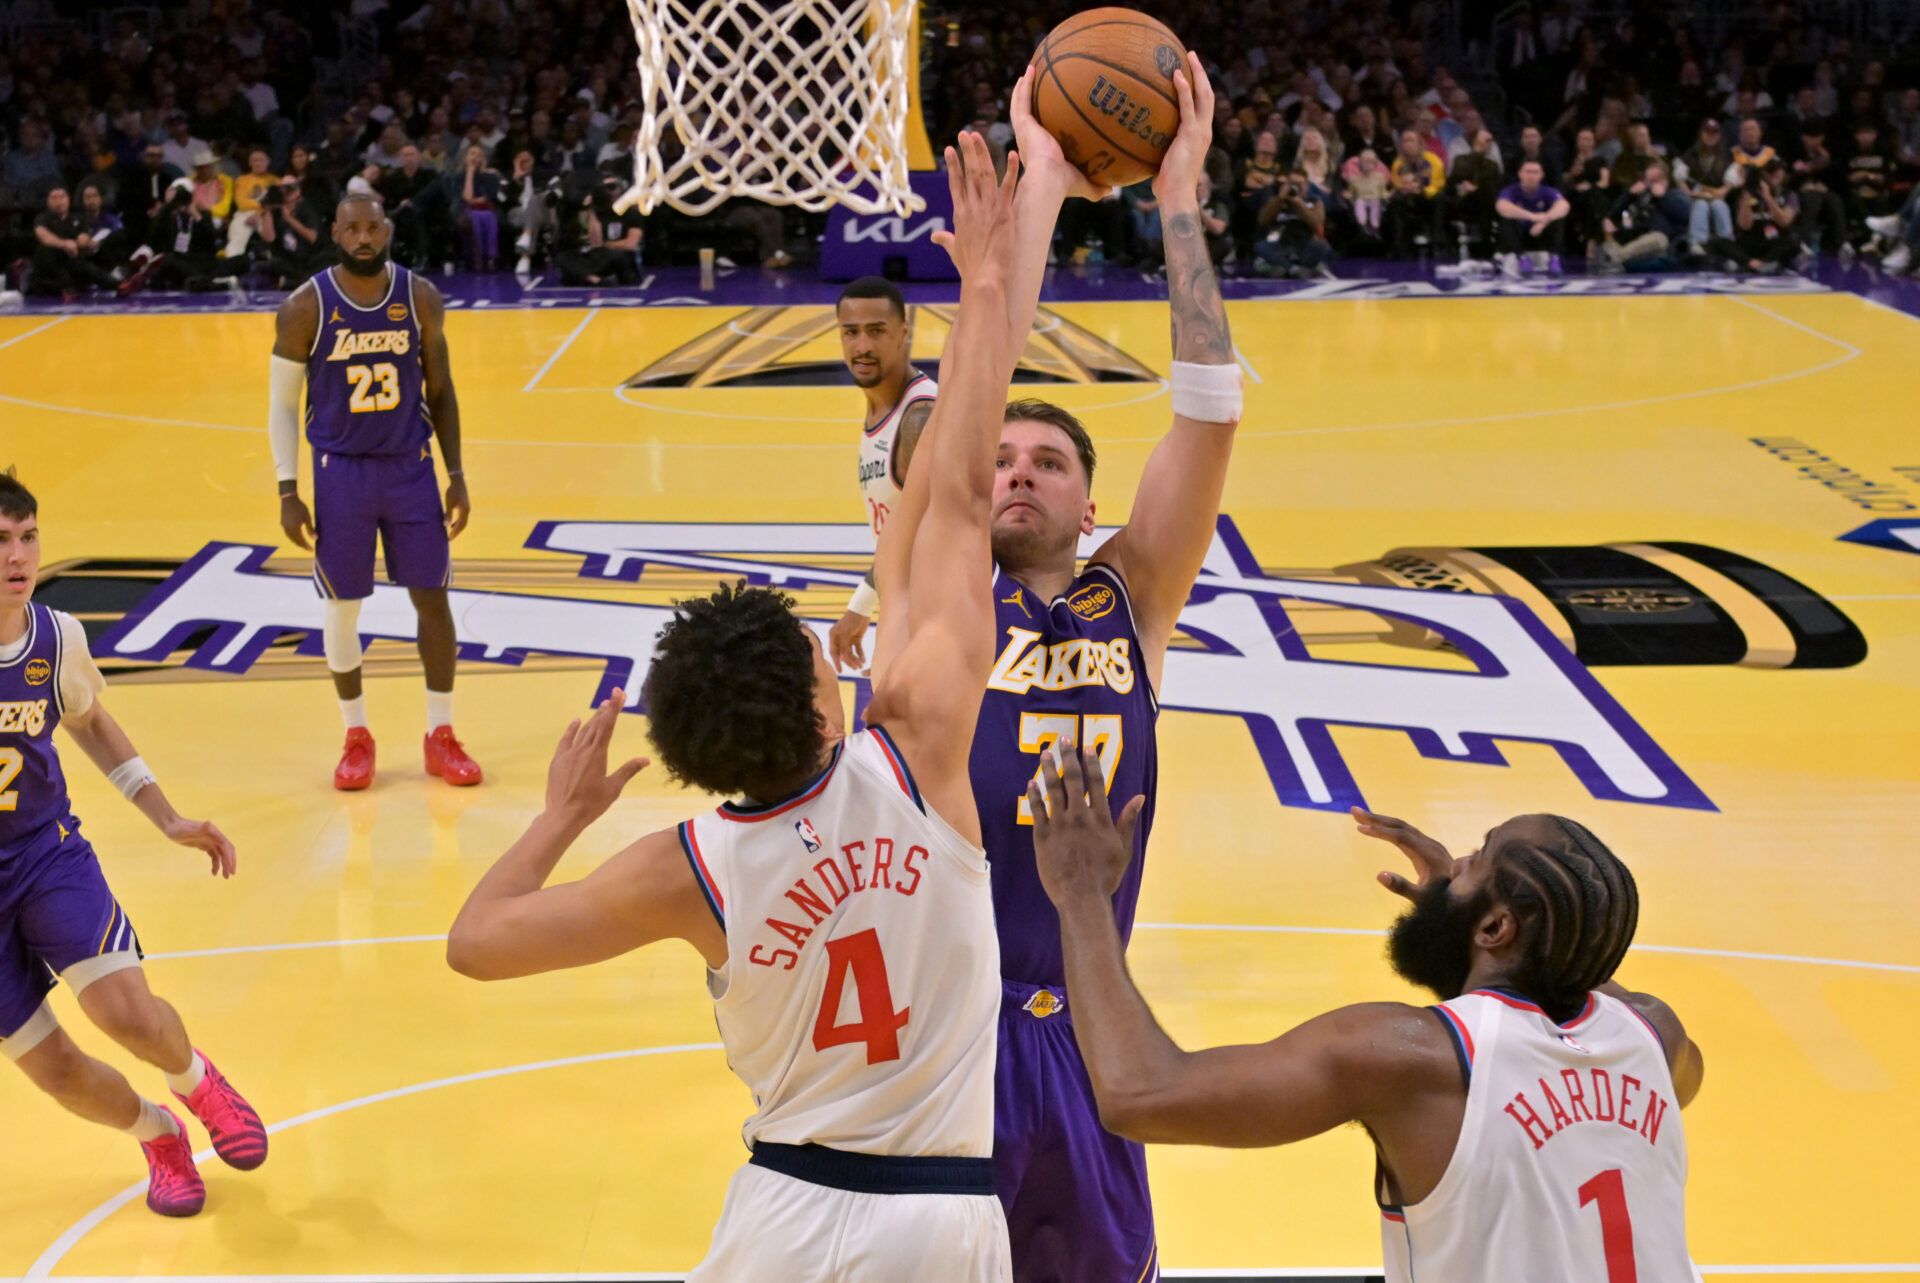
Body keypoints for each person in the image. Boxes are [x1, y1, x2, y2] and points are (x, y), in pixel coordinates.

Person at [446, 129, 1033, 1281]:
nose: (835, 655)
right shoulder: (915, 750)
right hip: (946, 1221)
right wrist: (988, 294)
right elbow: (962, 505)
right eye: (821, 659)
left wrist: (564, 814)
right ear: (827, 714)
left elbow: (476, 944)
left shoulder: (688, 863)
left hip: (783, 1219)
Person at [1026, 748, 1704, 1282]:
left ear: (1496, 926)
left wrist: (1081, 892)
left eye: (1478, 859)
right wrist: (1467, 922)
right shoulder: (1657, 1037)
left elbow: (1141, 1093)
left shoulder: (1406, 1058)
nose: (1458, 858)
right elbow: (1553, 1006)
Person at [953, 55, 1239, 1283]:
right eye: (1002, 453)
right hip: (938, 1028)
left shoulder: (1135, 597)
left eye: (1049, 459)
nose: (1017, 469)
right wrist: (1047, 191)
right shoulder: (938, 584)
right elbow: (976, 374)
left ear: (1087, 497)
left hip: (1081, 1035)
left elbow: (1209, 413)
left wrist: (1179, 197)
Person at [0, 469, 265, 1218]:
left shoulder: (55, 638)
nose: (18, 556)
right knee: (56, 1072)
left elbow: (89, 720)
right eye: (0, 542)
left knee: (125, 1012)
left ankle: (196, 1079)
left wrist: (169, 817)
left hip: (44, 855)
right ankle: (161, 1136)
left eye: (27, 537)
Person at [266, 193, 480, 791]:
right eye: (352, 228)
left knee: (432, 599)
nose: (364, 237)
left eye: (373, 227)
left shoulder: (420, 298)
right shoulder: (305, 306)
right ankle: (355, 735)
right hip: (341, 472)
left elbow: (442, 392)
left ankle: (441, 734)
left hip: (410, 469)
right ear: (335, 232)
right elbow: (282, 405)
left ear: (387, 230)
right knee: (342, 607)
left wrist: (455, 473)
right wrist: (288, 488)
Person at [826, 275, 940, 675]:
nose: (862, 346)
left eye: (876, 331)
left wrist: (868, 612)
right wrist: (862, 607)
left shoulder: (919, 419)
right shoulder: (882, 407)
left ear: (904, 333)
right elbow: (898, 533)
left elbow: (934, 542)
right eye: (851, 332)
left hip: (936, 625)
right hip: (907, 613)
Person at [28, 187, 117, 296]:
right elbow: (43, 235)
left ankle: (119, 285)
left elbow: (83, 237)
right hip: (49, 269)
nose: (59, 201)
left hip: (71, 262)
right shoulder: (42, 218)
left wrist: (79, 243)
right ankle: (66, 288)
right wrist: (64, 244)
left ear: (68, 200)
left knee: (86, 266)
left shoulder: (79, 218)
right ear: (48, 202)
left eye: (62, 197)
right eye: (54, 198)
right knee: (46, 250)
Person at [1495, 160, 1572, 275]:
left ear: (1541, 175)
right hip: (1519, 235)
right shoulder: (1510, 191)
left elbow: (1564, 206)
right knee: (1507, 218)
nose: (1531, 176)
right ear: (1520, 174)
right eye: (1528, 172)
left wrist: (1545, 220)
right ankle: (1522, 258)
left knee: (1558, 218)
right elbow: (1501, 206)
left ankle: (1554, 258)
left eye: (1535, 172)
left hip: (1541, 234)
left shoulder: (1547, 191)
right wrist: (1532, 217)